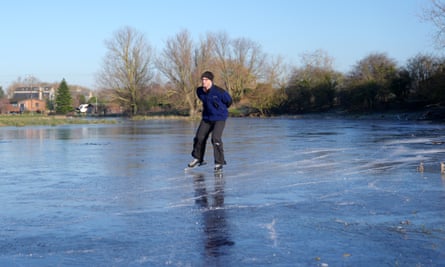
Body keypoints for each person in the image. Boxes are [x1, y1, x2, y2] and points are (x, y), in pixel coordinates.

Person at [188, 71, 232, 172]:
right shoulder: (200, 91)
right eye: (202, 79)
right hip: (207, 118)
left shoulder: (219, 92)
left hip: (219, 118)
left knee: (215, 139)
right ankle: (198, 158)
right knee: (199, 137)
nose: (203, 81)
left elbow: (229, 101)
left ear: (210, 80)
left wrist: (220, 109)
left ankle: (219, 162)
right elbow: (202, 99)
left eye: (205, 80)